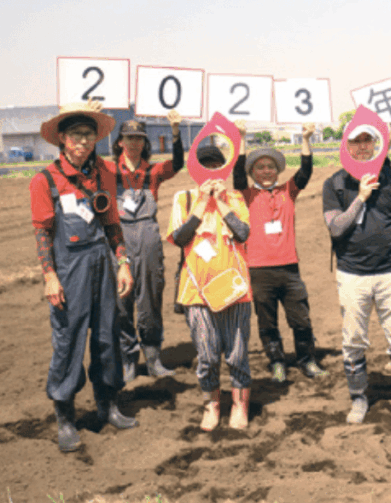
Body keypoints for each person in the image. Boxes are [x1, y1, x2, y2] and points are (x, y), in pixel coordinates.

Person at [30, 101, 138, 452]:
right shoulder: (45, 180)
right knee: (69, 341)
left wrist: (123, 262)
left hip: (101, 264)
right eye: (76, 135)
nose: (83, 142)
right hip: (68, 269)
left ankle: (109, 405)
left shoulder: (103, 173)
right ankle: (65, 417)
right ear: (62, 138)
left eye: (89, 135)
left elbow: (112, 224)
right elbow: (42, 232)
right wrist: (49, 275)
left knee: (108, 336)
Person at [322, 123, 391, 428]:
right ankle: (358, 397)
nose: (363, 146)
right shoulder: (335, 183)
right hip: (352, 274)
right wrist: (361, 197)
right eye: (356, 141)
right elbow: (336, 228)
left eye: (368, 141)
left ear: (376, 145)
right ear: (346, 146)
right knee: (354, 340)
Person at [168, 144, 253, 431]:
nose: (211, 172)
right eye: (205, 166)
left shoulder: (236, 197)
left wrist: (221, 202)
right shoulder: (183, 198)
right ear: (195, 170)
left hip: (235, 290)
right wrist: (203, 202)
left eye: (217, 166)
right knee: (206, 355)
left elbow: (242, 233)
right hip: (196, 292)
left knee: (237, 353)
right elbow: (180, 238)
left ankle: (240, 405)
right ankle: (212, 405)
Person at [232, 121, 325, 383]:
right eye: (260, 167)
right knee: (267, 322)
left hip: (289, 267)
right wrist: (241, 138)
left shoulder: (288, 191)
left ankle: (307, 360)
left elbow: (305, 171)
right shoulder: (246, 195)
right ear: (252, 172)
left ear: (277, 170)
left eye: (270, 166)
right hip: (259, 269)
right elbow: (237, 173)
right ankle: (277, 362)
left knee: (301, 318)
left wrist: (305, 139)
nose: (266, 171)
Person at [112, 111, 185, 381]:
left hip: (149, 236)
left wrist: (175, 131)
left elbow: (177, 163)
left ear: (145, 143)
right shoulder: (109, 172)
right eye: (129, 138)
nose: (134, 143)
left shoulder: (153, 172)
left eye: (139, 138)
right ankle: (128, 361)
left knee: (151, 298)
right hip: (119, 237)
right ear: (120, 141)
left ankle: (153, 358)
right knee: (121, 301)